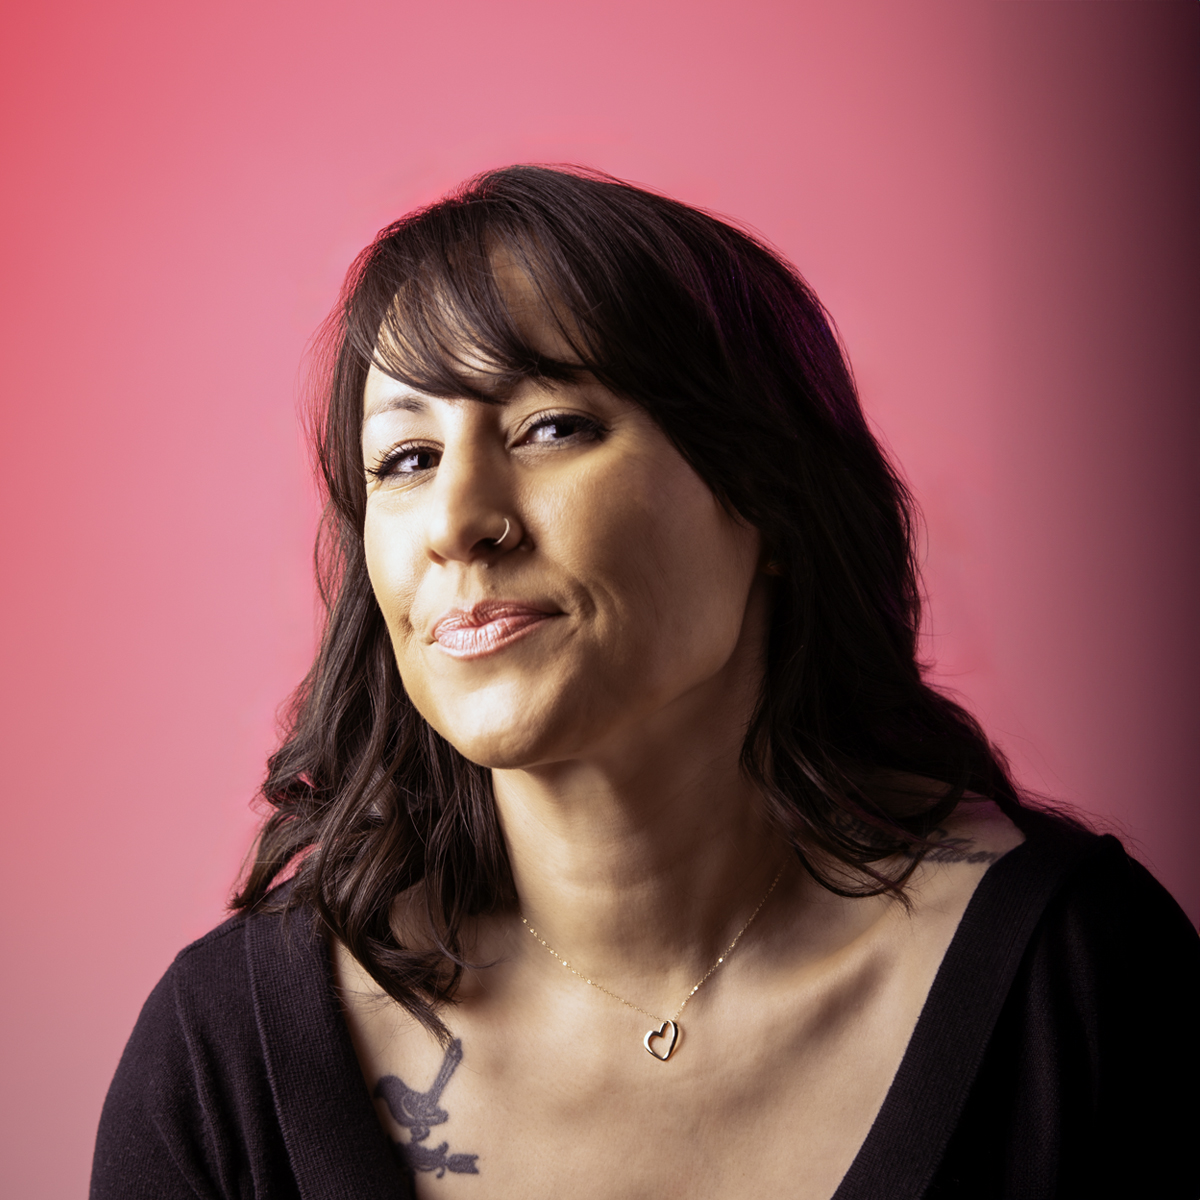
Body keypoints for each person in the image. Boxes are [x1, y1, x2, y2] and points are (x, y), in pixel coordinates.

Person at [91, 166, 1199, 1200]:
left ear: (768, 497)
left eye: (550, 427)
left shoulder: (1080, 984)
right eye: (407, 459)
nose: (457, 522)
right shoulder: (224, 1062)